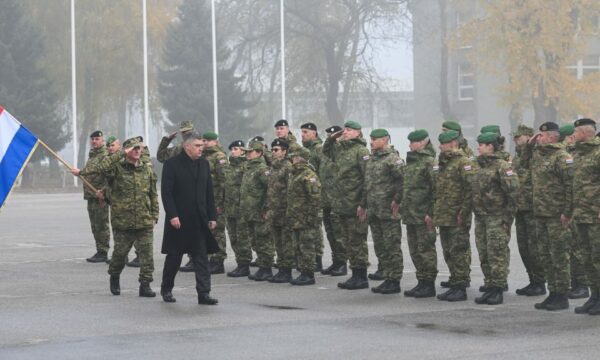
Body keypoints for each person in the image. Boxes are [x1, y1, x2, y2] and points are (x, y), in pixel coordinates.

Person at [72, 137, 159, 298]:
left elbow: (153, 194)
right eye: (134, 148)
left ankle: (145, 284)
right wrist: (121, 155)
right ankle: (115, 275)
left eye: (139, 148)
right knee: (120, 254)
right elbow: (100, 167)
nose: (138, 151)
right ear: (126, 151)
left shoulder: (146, 169)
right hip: (123, 221)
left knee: (147, 256)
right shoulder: (116, 169)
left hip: (144, 220)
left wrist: (155, 214)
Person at [160, 132, 219, 305]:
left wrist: (212, 216)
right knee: (174, 258)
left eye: (202, 145)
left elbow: (209, 192)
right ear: (187, 147)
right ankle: (166, 288)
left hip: (199, 220)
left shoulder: (204, 164)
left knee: (201, 258)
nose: (202, 148)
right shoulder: (172, 165)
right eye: (198, 146)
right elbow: (167, 193)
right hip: (179, 220)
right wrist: (172, 215)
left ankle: (204, 293)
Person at [530, 122, 574, 311]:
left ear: (553, 137)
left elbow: (571, 186)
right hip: (541, 213)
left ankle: (562, 295)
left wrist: (567, 212)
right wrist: (530, 144)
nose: (540, 137)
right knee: (546, 255)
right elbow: (523, 162)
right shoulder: (539, 155)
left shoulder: (562, 157)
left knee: (559, 256)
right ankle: (552, 292)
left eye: (543, 134)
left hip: (557, 215)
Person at [471, 132, 519, 305]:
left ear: (490, 146)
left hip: (496, 217)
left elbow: (513, 193)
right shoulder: (479, 165)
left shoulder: (502, 166)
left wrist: (507, 218)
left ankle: (498, 289)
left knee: (496, 253)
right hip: (481, 217)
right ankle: (490, 286)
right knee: (484, 253)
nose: (478, 147)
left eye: (481, 145)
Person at [323, 120, 370, 290]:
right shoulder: (341, 150)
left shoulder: (361, 151)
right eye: (345, 130)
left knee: (357, 241)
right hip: (341, 204)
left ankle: (361, 276)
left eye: (349, 130)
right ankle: (354, 274)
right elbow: (326, 150)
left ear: (358, 133)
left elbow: (367, 178)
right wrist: (334, 136)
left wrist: (363, 204)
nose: (346, 132)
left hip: (355, 204)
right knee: (349, 242)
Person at [433, 130, 475, 302]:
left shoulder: (463, 162)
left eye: (442, 143)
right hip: (444, 215)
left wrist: (463, 212)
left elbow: (470, 189)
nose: (440, 146)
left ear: (453, 144)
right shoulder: (444, 163)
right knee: (448, 251)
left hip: (457, 215)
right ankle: (455, 281)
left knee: (459, 251)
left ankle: (461, 286)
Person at [364, 129, 405, 295]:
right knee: (380, 246)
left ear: (385, 140)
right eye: (371, 139)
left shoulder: (393, 159)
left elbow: (403, 181)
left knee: (391, 246)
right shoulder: (372, 159)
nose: (371, 142)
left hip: (388, 211)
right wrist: (364, 204)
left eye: (375, 139)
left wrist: (397, 200)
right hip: (375, 210)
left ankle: (394, 280)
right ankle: (387, 276)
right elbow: (368, 184)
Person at [402, 129, 438, 298]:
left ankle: (429, 284)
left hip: (423, 214)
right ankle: (421, 281)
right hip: (411, 214)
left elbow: (436, 190)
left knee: (426, 250)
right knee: (415, 250)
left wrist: (430, 212)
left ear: (423, 142)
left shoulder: (429, 162)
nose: (410, 145)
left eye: (413, 142)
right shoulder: (412, 162)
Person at [511, 124, 546, 296]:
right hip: (520, 208)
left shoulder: (536, 153)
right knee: (523, 248)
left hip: (533, 209)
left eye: (519, 137)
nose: (516, 140)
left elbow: (529, 156)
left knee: (535, 248)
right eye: (515, 137)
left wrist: (530, 145)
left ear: (529, 137)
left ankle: (540, 282)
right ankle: (532, 280)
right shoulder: (518, 158)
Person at [571, 118, 600, 315]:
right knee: (587, 259)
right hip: (581, 214)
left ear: (584, 133)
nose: (573, 136)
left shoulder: (597, 153)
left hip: (595, 215)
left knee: (598, 258)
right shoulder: (580, 154)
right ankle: (595, 296)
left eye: (576, 132)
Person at [560, 123, 590, 299]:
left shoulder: (574, 155)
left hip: (584, 208)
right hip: (573, 207)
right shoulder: (572, 154)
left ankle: (582, 285)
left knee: (578, 250)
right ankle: (577, 284)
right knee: (573, 248)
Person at [287, 147, 322, 285]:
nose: (292, 159)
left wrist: (311, 217)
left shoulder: (308, 175)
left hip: (306, 218)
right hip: (296, 218)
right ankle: (303, 271)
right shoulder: (295, 174)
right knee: (299, 246)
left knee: (307, 246)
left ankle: (308, 274)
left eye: (294, 156)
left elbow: (315, 198)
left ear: (300, 158)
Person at [240, 141, 274, 281]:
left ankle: (266, 268)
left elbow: (270, 189)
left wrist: (266, 208)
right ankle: (261, 265)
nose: (248, 154)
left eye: (251, 151)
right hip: (249, 212)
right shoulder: (249, 168)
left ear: (259, 153)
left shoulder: (262, 169)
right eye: (247, 151)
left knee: (263, 240)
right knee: (255, 240)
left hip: (260, 212)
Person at [319, 125, 347, 276]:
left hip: (338, 200)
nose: (333, 139)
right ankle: (336, 261)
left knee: (339, 234)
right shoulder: (326, 154)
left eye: (335, 136)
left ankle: (342, 263)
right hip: (326, 200)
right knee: (330, 234)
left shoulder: (343, 152)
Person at [266, 139, 294, 283]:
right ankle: (281, 269)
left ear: (284, 151)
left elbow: (291, 191)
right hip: (274, 210)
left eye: (276, 149)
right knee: (278, 242)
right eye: (273, 149)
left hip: (284, 211)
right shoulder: (273, 167)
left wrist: (289, 211)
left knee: (286, 243)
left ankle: (287, 271)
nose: (273, 152)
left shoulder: (288, 167)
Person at [80, 130, 110, 263]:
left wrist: (103, 194)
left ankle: (103, 252)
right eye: (92, 139)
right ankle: (100, 250)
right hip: (91, 196)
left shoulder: (105, 155)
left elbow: (107, 176)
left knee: (101, 225)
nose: (94, 141)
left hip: (99, 196)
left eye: (97, 139)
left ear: (103, 140)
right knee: (95, 225)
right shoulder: (92, 155)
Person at [202, 131, 229, 274]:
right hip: (204, 200)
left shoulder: (219, 157)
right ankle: (208, 258)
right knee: (207, 231)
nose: (205, 143)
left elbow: (224, 182)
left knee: (217, 231)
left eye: (208, 140)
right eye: (203, 140)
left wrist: (220, 203)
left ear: (215, 141)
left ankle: (218, 261)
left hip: (216, 201)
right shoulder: (203, 156)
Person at [300, 122, 325, 272]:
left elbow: (323, 171)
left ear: (314, 133)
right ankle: (310, 259)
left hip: (316, 192)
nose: (303, 134)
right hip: (304, 195)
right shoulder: (304, 150)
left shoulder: (318, 149)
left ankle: (318, 259)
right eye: (301, 132)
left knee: (315, 228)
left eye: (306, 132)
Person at [224, 140, 251, 277]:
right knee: (233, 237)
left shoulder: (245, 166)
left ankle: (244, 264)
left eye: (236, 148)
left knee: (243, 238)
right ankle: (239, 263)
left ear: (243, 151)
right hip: (230, 209)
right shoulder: (229, 167)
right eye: (232, 148)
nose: (233, 151)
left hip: (241, 209)